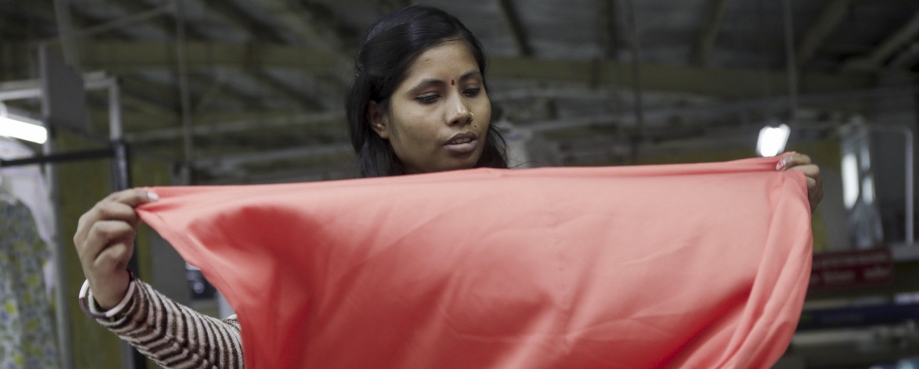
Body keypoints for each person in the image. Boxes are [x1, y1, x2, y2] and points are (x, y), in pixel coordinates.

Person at [72, 5, 824, 369]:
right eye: (428, 96)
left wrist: (767, 216)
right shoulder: (343, 240)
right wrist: (122, 298)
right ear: (380, 115)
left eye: (471, 88)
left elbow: (661, 293)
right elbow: (246, 357)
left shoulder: (554, 218)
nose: (461, 112)